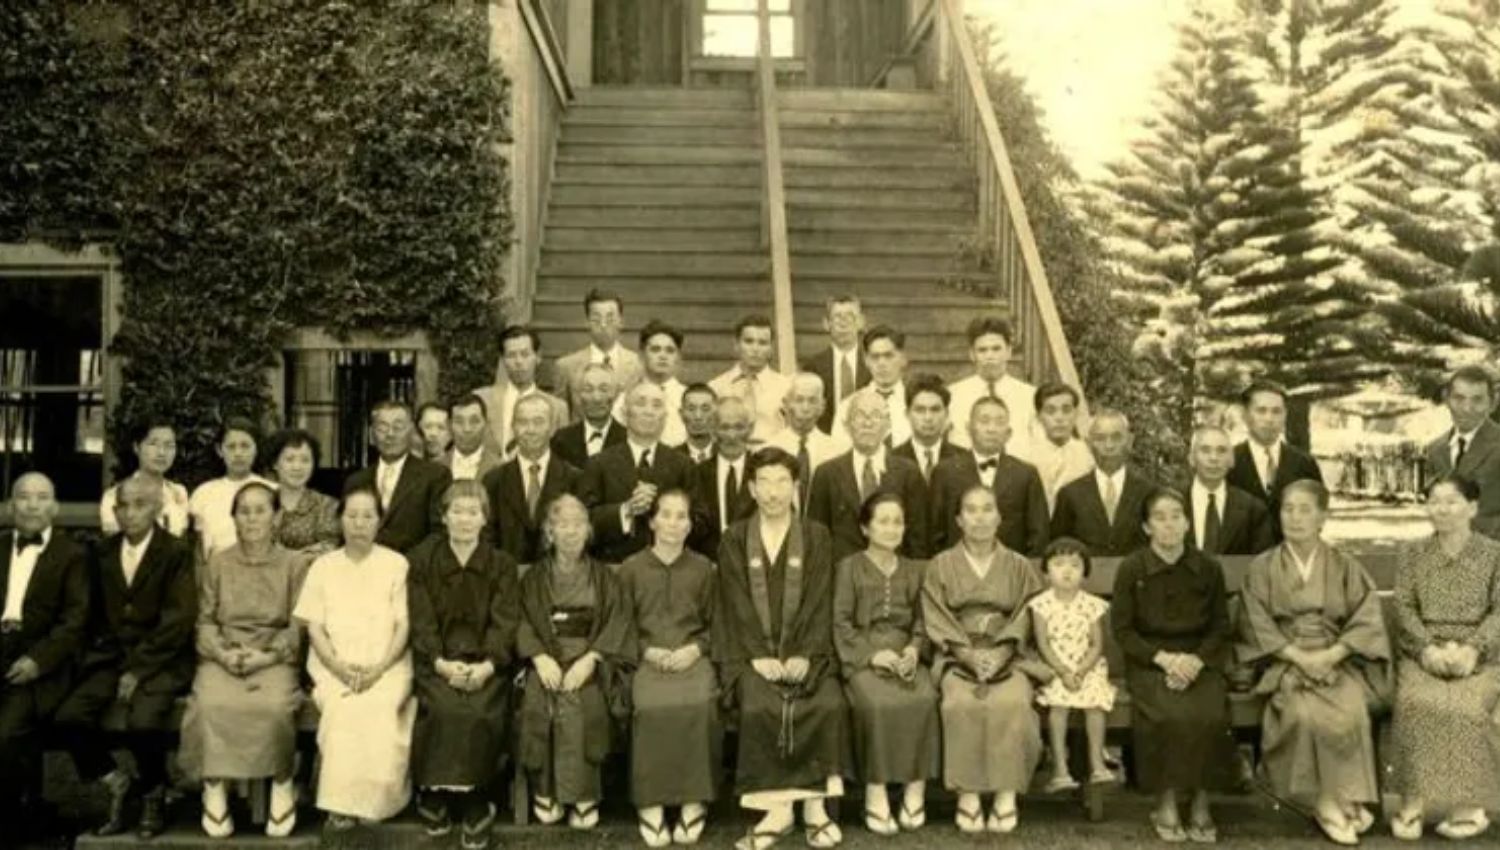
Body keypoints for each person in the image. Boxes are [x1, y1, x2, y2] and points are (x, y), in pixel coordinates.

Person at [1236, 479, 1389, 846]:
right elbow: (1255, 622)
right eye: (1288, 509)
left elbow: (1366, 618)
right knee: (1303, 714)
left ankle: (1342, 797)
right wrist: (1300, 658)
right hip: (1285, 660)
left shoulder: (1343, 564)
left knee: (1352, 708)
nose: (1295, 517)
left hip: (1337, 657)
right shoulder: (1263, 567)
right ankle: (1325, 802)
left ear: (1323, 516)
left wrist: (1332, 654)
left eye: (1306, 509)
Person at [716, 448, 847, 850]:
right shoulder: (735, 538)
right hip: (751, 654)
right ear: (752, 489)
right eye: (764, 483)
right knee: (758, 704)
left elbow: (819, 597)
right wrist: (758, 654)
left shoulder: (816, 535)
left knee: (826, 703)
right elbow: (734, 600)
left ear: (795, 487)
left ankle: (814, 808)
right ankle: (775, 810)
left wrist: (804, 653)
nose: (773, 492)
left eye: (782, 482)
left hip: (809, 651)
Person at [54, 474, 196, 838]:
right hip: (111, 657)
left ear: (158, 508)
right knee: (70, 717)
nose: (130, 513)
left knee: (144, 722)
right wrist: (104, 659)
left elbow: (177, 620)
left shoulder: (177, 552)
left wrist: (138, 670)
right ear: (114, 511)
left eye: (141, 505)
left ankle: (152, 791)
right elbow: (90, 615)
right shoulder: (100, 552)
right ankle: (119, 781)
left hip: (162, 659)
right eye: (123, 506)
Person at [179, 482, 304, 839]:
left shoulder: (295, 564)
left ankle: (282, 780)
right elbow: (204, 620)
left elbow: (300, 622)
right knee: (210, 704)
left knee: (275, 707)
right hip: (224, 655)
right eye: (243, 511)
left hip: (274, 657)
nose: (252, 519)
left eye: (261, 510)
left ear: (276, 517)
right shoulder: (218, 562)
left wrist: (266, 656)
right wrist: (221, 652)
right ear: (233, 518)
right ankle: (214, 785)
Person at [1110, 487, 1234, 844]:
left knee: (1208, 713)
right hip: (1150, 661)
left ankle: (1200, 800)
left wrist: (1194, 661)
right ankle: (1164, 800)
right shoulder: (1132, 568)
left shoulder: (1207, 567)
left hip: (1199, 660)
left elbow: (1219, 627)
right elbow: (1123, 629)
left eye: (1176, 516)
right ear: (1147, 527)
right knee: (1166, 715)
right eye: (1159, 518)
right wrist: (1164, 660)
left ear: (1187, 522)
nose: (1169, 525)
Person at [922, 485, 1045, 835]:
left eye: (987, 509)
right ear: (959, 520)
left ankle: (1006, 794)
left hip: (1009, 654)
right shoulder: (941, 565)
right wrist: (967, 654)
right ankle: (969, 793)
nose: (980, 518)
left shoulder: (1019, 565)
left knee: (1013, 702)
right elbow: (936, 615)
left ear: (999, 517)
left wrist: (1003, 651)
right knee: (959, 704)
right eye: (971, 511)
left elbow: (1027, 613)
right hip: (958, 654)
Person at [406, 481, 521, 850]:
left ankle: (475, 796)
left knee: (480, 709)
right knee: (443, 706)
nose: (465, 520)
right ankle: (435, 793)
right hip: (436, 661)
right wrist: (440, 664)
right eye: (457, 511)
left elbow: (506, 621)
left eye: (473, 512)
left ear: (485, 518)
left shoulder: (500, 564)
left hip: (487, 663)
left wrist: (488, 665)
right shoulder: (422, 561)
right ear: (444, 516)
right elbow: (420, 619)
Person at [296, 487, 416, 833]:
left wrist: (379, 669)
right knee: (344, 708)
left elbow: (403, 624)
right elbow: (315, 628)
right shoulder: (323, 566)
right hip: (334, 665)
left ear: (379, 522)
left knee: (378, 707)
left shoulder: (396, 563)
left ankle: (378, 802)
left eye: (368, 516)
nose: (359, 524)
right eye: (351, 516)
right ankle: (341, 804)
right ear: (339, 521)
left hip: (389, 664)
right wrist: (339, 668)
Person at [1389, 474, 1500, 840]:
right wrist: (1427, 650)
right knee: (1417, 701)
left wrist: (1473, 648)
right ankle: (1413, 803)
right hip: (1425, 650)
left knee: (1467, 706)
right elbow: (1404, 608)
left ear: (1472, 507)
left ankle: (1467, 807)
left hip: (1479, 652)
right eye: (1434, 500)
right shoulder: (1412, 554)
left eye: (1452, 501)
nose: (1442, 509)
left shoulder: (1494, 554)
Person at [516, 494, 633, 830]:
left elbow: (617, 620)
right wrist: (539, 657)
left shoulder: (604, 578)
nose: (570, 531)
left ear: (588, 531)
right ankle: (545, 790)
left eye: (577, 524)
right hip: (546, 655)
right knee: (539, 700)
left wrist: (592, 659)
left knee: (589, 702)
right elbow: (522, 620)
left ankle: (584, 795)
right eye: (561, 524)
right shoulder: (534, 578)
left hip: (591, 656)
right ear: (549, 532)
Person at [619, 489, 720, 848]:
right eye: (666, 515)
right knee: (649, 706)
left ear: (691, 525)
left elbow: (716, 624)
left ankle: (694, 802)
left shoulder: (704, 569)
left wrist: (696, 649)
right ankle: (651, 802)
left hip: (693, 659)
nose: (673, 523)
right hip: (648, 661)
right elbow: (622, 624)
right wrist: (647, 652)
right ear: (652, 521)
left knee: (700, 703)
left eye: (682, 516)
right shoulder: (631, 569)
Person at [833, 492, 938, 836]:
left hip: (904, 655)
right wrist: (871, 655)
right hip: (865, 658)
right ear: (865, 527)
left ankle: (914, 788)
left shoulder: (913, 570)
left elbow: (923, 622)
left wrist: (912, 650)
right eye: (883, 521)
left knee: (923, 698)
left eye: (898, 521)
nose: (891, 528)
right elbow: (841, 622)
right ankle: (875, 791)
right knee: (877, 704)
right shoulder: (848, 568)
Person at [0, 473, 90, 832]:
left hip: (41, 664)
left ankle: (11, 819)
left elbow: (75, 620)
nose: (32, 505)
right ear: (10, 506)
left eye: (41, 498)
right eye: (24, 497)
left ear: (54, 507)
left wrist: (39, 660)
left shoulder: (73, 554)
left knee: (5, 735)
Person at [1028, 537, 1116, 794]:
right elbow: (1043, 644)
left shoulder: (1091, 604)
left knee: (1095, 703)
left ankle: (1097, 764)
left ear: (1084, 574)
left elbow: (1096, 645)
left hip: (1086, 666)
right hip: (1056, 666)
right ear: (1046, 573)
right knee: (1059, 705)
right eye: (1059, 564)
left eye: (1075, 565)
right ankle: (1060, 770)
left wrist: (1081, 670)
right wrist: (1064, 672)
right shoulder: (1041, 605)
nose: (1067, 571)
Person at [575, 381, 695, 564]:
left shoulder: (683, 465)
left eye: (656, 405)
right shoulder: (599, 464)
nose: (649, 411)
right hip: (614, 570)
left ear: (665, 416)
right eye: (640, 403)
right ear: (624, 413)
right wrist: (626, 510)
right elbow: (583, 522)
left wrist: (667, 513)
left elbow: (701, 520)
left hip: (670, 571)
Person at [809, 391, 928, 561]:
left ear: (888, 426)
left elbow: (919, 539)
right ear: (847, 425)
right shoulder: (826, 474)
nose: (868, 423)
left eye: (876, 416)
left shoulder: (908, 472)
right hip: (843, 578)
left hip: (895, 578)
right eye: (859, 416)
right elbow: (817, 538)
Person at [929, 395, 1048, 556]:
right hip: (957, 572)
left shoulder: (1026, 474)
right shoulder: (945, 472)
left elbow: (1039, 533)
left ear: (1008, 433)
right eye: (984, 421)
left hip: (1010, 571)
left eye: (999, 422)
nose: (991, 429)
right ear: (969, 428)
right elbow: (936, 530)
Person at [344, 400, 452, 553]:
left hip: (414, 570)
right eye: (382, 427)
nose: (390, 434)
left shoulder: (436, 476)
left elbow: (440, 533)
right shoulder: (355, 482)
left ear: (411, 432)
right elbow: (347, 532)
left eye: (398, 427)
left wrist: (404, 563)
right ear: (371, 434)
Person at [484, 394, 580, 565]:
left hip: (556, 581)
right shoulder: (494, 481)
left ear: (552, 428)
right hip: (508, 580)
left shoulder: (574, 479)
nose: (530, 430)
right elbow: (487, 537)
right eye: (523, 422)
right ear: (513, 427)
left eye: (538, 422)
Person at [1050, 409, 1157, 556]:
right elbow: (1058, 547)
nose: (1109, 445)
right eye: (1100, 438)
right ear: (1088, 443)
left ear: (1130, 441)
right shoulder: (1070, 494)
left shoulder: (1149, 493)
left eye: (1116, 437)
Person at [1228, 380, 1324, 541]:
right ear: (1245, 415)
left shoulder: (1304, 464)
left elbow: (1317, 514)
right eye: (1261, 411)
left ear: (1285, 414)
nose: (1269, 419)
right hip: (1240, 560)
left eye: (1276, 411)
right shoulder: (1228, 462)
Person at [945, 317, 1038, 461]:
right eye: (982, 350)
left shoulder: (1030, 396)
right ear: (972, 354)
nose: (989, 356)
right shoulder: (953, 395)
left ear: (1009, 352)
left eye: (996, 349)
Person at [1423, 365, 1500, 538]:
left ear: (1492, 404)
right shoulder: (1436, 449)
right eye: (1459, 398)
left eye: (1477, 400)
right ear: (1447, 400)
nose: (1467, 408)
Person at [474, 324, 568, 458]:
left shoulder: (557, 408)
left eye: (525, 354)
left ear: (538, 357)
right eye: (511, 355)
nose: (518, 362)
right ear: (502, 360)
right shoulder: (481, 400)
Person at [188, 417, 275, 558]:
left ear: (256, 449)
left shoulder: (272, 491)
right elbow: (197, 550)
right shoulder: (203, 493)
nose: (238, 453)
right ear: (219, 450)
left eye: (245, 446)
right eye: (231, 446)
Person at [764, 373, 851, 513]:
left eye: (812, 401)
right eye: (799, 400)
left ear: (822, 406)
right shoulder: (769, 449)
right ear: (786, 404)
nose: (805, 408)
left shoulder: (837, 450)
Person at [554, 288, 644, 419]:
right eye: (596, 319)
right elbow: (561, 415)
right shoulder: (566, 366)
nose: (603, 325)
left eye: (610, 318)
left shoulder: (638, 365)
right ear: (586, 323)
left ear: (621, 322)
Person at [1187, 425, 1275, 556]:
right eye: (1205, 450)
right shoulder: (1170, 502)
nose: (1213, 458)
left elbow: (1263, 567)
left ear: (1232, 460)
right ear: (1191, 458)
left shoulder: (1253, 510)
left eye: (1221, 451)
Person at [687, 396, 756, 559]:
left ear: (750, 429)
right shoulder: (697, 474)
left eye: (739, 427)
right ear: (712, 430)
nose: (732, 435)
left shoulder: (762, 472)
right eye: (724, 427)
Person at [709, 315, 793, 447]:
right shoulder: (717, 387)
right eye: (749, 341)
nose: (755, 349)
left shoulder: (786, 387)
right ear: (737, 345)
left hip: (772, 460)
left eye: (762, 343)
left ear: (771, 349)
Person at [99, 419, 191, 537]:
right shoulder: (114, 496)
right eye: (153, 444)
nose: (162, 453)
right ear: (137, 447)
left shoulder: (179, 493)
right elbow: (115, 546)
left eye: (169, 446)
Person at [265, 428, 340, 561]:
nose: (297, 467)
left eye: (305, 460)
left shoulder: (327, 505)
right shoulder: (263, 502)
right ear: (275, 463)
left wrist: (286, 558)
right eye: (290, 459)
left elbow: (329, 548)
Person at [830, 326, 911, 447]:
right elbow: (838, 451)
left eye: (888, 356)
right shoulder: (848, 406)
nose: (881, 363)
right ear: (866, 360)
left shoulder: (915, 404)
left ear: (903, 358)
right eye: (875, 357)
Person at [800, 295, 869, 434]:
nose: (843, 323)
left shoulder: (871, 363)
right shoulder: (813, 366)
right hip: (826, 441)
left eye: (850, 316)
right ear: (826, 323)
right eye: (837, 316)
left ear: (861, 322)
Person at [614, 320, 690, 447]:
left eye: (670, 350)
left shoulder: (687, 399)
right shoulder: (625, 399)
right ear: (642, 355)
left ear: (678, 357)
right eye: (655, 349)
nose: (663, 356)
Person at [1028, 382, 1093, 514]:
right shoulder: (1026, 457)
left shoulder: (1088, 456)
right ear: (1039, 416)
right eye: (1050, 411)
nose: (1059, 418)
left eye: (1066, 410)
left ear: (1076, 414)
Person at [551, 363, 627, 469]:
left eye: (603, 389)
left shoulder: (628, 440)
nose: (596, 398)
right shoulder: (561, 440)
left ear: (615, 394)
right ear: (578, 395)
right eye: (588, 389)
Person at [892, 373, 962, 484]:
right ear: (907, 414)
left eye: (935, 409)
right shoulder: (891, 460)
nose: (928, 418)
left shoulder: (963, 459)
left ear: (947, 414)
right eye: (920, 410)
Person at [441, 393, 505, 483]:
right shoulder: (435, 467)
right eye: (459, 421)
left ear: (486, 424)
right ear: (449, 425)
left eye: (474, 421)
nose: (467, 429)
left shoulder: (501, 470)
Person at [680, 383, 720, 464]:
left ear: (716, 414)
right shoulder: (670, 459)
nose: (698, 416)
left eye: (705, 409)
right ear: (681, 414)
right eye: (691, 409)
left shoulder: (725, 455)